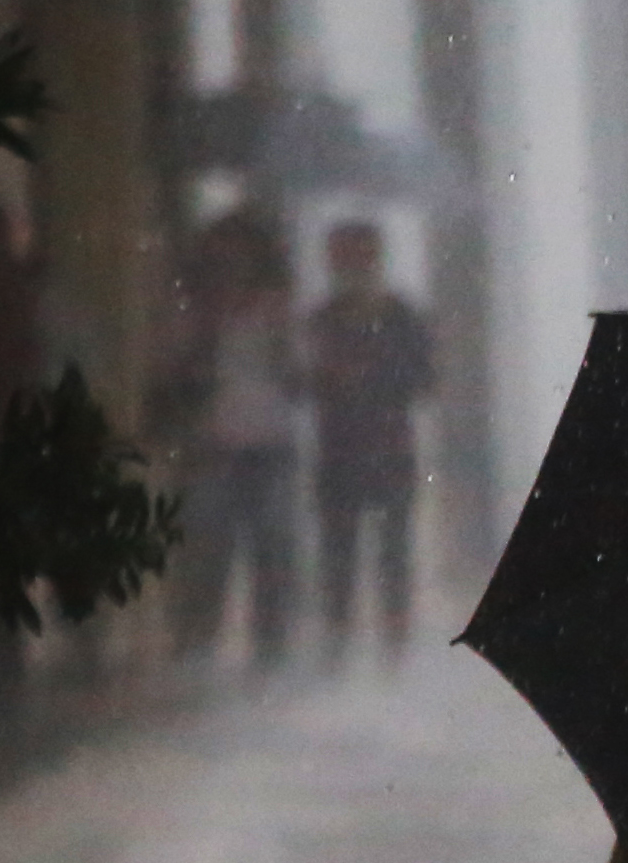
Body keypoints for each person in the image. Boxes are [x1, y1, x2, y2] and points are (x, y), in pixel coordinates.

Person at [153, 210, 300, 665]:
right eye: (221, 256)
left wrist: (278, 336)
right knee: (206, 545)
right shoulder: (193, 310)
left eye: (239, 255)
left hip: (269, 440)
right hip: (212, 443)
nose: (231, 265)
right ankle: (198, 637)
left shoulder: (278, 309)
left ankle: (270, 643)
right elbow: (173, 373)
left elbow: (296, 373)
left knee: (271, 546)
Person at [302, 220, 436, 659]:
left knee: (393, 549)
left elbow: (425, 379)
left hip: (390, 447)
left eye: (358, 255)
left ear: (375, 259)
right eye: (341, 256)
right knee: (338, 548)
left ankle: (394, 636)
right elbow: (301, 382)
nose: (348, 265)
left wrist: (376, 373)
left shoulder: (402, 316)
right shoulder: (321, 319)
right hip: (338, 449)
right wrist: (328, 375)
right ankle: (337, 632)